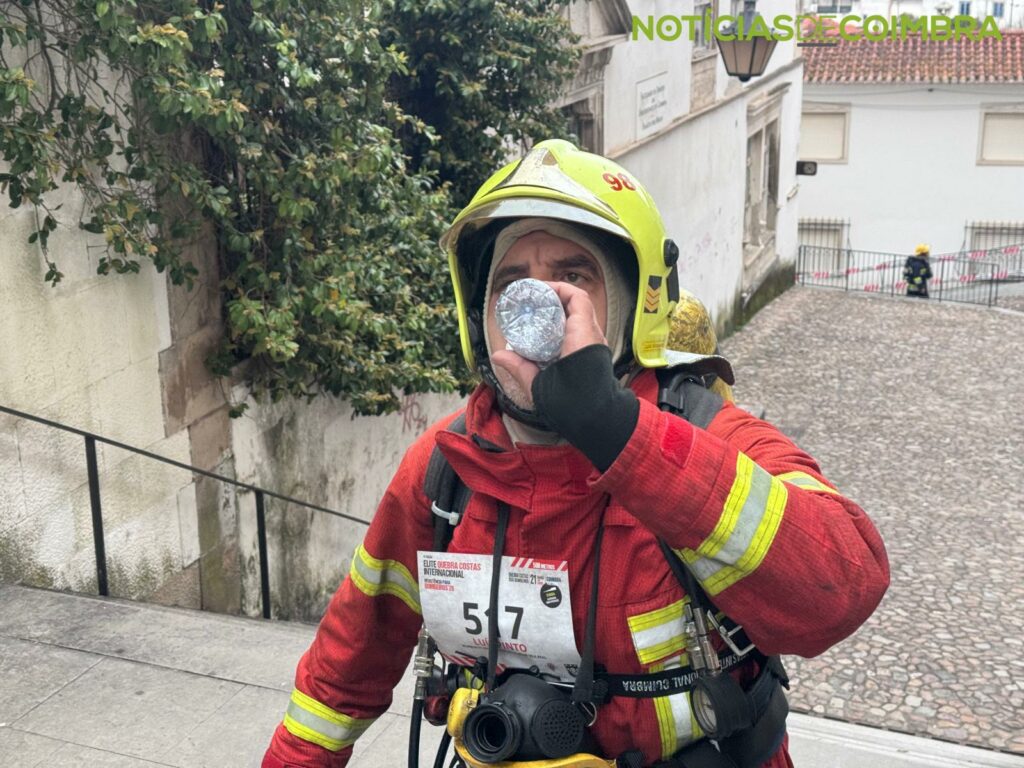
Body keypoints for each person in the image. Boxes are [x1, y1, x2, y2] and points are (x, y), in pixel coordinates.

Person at [262, 140, 889, 768]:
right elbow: (345, 667)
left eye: (573, 276)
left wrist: (616, 430)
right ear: (481, 315)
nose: (537, 305)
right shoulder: (444, 470)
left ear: (631, 305)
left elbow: (841, 589)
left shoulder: (713, 439)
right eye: (511, 283)